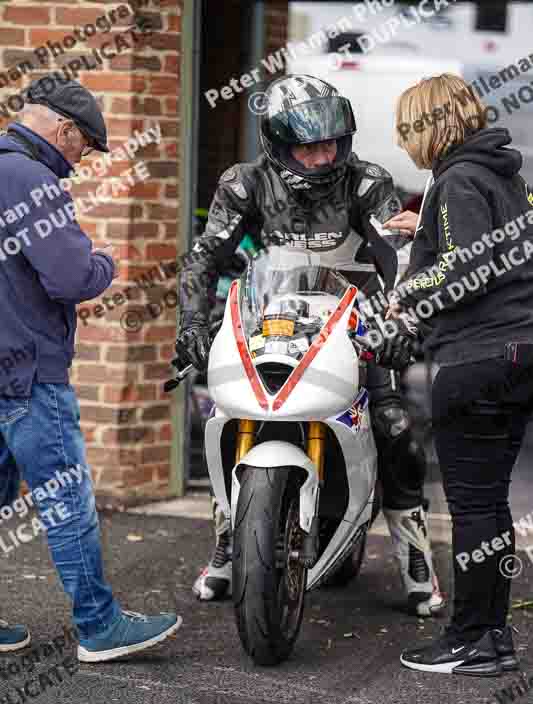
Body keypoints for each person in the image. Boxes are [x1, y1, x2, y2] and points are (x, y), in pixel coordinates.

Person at [177, 74, 444, 617]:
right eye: (309, 145)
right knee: (226, 411)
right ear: (278, 144)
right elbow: (203, 256)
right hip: (268, 315)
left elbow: (398, 252)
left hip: (358, 319)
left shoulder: (368, 181)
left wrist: (402, 319)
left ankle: (414, 559)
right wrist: (192, 322)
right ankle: (229, 542)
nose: (325, 156)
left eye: (332, 143)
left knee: (394, 426)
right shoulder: (242, 183)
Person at [0, 77, 180, 661]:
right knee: (66, 500)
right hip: (29, 376)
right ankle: (100, 626)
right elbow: (72, 277)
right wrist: (103, 261)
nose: (80, 162)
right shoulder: (32, 179)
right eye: (84, 147)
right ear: (64, 129)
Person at [381, 73, 533, 675]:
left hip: (478, 360)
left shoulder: (459, 180)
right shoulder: (501, 174)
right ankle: (491, 639)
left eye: (406, 128)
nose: (402, 141)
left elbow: (464, 269)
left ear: (428, 126)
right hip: (519, 352)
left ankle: (472, 638)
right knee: (490, 508)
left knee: (473, 509)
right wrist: (421, 226)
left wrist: (405, 295)